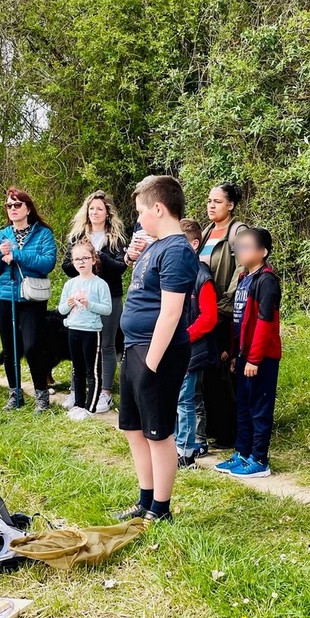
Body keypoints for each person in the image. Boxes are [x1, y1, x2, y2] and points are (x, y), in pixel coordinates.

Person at [113, 175, 200, 524]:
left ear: (159, 208)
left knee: (158, 432)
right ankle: (145, 499)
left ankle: (161, 509)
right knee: (133, 428)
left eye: (140, 211)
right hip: (134, 347)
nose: (138, 218)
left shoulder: (177, 250)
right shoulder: (156, 246)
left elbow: (171, 312)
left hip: (157, 352)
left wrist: (151, 363)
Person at [0, 187, 58, 412]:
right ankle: (15, 395)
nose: (12, 209)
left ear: (28, 208)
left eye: (17, 205)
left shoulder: (43, 233)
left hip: (32, 298)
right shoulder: (2, 235)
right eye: (9, 205)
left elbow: (47, 263)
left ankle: (41, 395)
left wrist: (17, 255)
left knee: (33, 346)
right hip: (4, 297)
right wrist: (0, 254)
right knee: (10, 349)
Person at [216, 228, 282, 479]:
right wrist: (236, 355)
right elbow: (239, 322)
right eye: (237, 248)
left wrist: (254, 359)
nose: (239, 252)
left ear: (263, 252)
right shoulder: (244, 278)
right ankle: (242, 453)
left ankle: (259, 459)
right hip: (244, 355)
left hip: (262, 357)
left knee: (259, 408)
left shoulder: (266, 281)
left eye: (246, 247)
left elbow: (265, 323)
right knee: (243, 406)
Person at [61, 190, 129, 413]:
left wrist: (99, 257)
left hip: (109, 297)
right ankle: (76, 390)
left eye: (100, 208)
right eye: (91, 208)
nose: (95, 212)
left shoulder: (116, 238)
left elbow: (120, 267)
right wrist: (83, 260)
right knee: (80, 346)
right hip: (81, 298)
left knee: (107, 345)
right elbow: (66, 266)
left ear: (108, 212)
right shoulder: (77, 236)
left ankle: (105, 393)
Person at [199, 183, 248, 450]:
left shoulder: (237, 231)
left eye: (217, 201)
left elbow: (241, 268)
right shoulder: (205, 232)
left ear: (230, 205)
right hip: (205, 310)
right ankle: (213, 427)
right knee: (208, 372)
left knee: (224, 373)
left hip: (223, 313)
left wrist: (224, 304)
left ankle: (229, 432)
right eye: (209, 201)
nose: (211, 205)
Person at [175, 219, 219, 468]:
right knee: (178, 397)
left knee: (186, 399)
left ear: (193, 244)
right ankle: (178, 445)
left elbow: (209, 317)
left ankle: (187, 451)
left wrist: (184, 336)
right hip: (176, 346)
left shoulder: (203, 277)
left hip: (193, 348)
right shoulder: (175, 272)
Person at [57, 240, 113, 422]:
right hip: (73, 329)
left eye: (85, 258)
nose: (81, 262)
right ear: (73, 262)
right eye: (77, 259)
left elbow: (107, 309)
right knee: (77, 369)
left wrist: (89, 304)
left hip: (91, 331)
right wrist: (69, 304)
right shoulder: (70, 284)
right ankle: (78, 405)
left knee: (92, 371)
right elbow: (61, 310)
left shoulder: (100, 284)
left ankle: (91, 407)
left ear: (93, 259)